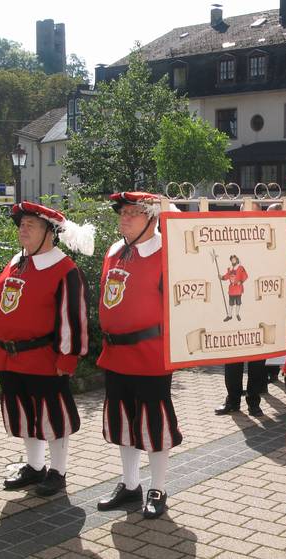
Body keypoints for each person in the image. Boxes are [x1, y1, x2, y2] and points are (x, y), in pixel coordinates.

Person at [0, 202, 93, 496]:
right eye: (21, 224)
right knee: (24, 413)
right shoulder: (15, 262)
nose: (23, 229)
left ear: (50, 232)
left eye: (31, 224)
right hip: (9, 358)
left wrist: (68, 357)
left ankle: (58, 472)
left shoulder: (65, 269)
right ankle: (34, 467)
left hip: (44, 358)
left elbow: (74, 316)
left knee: (53, 416)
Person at [96, 192, 182, 520]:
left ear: (152, 217)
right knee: (123, 421)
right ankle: (130, 484)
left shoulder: (167, 253)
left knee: (154, 423)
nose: (125, 218)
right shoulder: (114, 251)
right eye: (123, 213)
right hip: (115, 354)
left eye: (133, 212)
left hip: (151, 355)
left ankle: (158, 488)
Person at [221, 254, 247, 321]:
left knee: (238, 303)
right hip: (232, 289)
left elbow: (245, 275)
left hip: (238, 288)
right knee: (231, 303)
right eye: (232, 260)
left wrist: (241, 281)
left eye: (234, 259)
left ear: (237, 260)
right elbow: (227, 276)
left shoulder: (240, 268)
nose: (233, 261)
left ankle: (237, 314)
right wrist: (222, 277)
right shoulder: (230, 269)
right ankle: (229, 316)